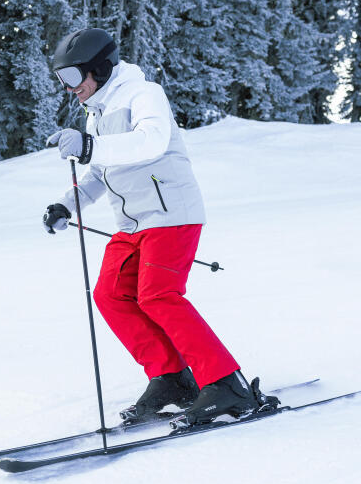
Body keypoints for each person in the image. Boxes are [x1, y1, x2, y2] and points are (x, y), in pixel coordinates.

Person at [44, 28, 265, 427]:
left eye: (73, 78)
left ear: (100, 68)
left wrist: (89, 146)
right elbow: (98, 173)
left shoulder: (145, 94)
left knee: (159, 295)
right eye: (62, 80)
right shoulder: (96, 115)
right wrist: (65, 203)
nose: (69, 89)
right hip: (131, 223)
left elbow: (150, 142)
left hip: (171, 214)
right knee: (111, 295)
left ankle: (226, 384)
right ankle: (171, 377)